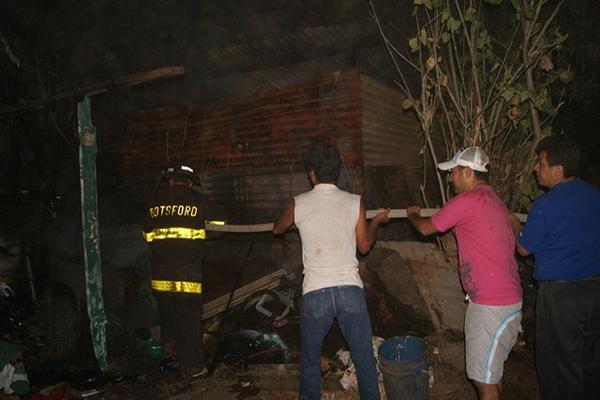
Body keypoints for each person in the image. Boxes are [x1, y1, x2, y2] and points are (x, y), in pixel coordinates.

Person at [273, 140, 389, 400]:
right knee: (364, 361)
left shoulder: (298, 202)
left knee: (311, 362)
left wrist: (295, 222)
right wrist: (377, 222)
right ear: (336, 171)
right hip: (350, 291)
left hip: (315, 294)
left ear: (311, 173)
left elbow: (277, 229)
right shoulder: (354, 202)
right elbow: (365, 245)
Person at [407, 146, 522, 400]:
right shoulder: (495, 200)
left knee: (483, 382)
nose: (451, 178)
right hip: (505, 301)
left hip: (491, 306)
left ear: (468, 172)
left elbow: (426, 228)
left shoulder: (467, 201)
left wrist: (412, 215)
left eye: (454, 172)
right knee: (492, 375)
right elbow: (515, 224)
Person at [515, 136, 600, 400]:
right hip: (594, 290)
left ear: (558, 169)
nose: (535, 168)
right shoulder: (595, 195)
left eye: (540, 163)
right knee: (590, 360)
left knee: (559, 366)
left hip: (561, 298)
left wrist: (514, 225)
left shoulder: (547, 204)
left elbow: (524, 249)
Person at [142, 162, 224, 379]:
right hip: (188, 275)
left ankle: (169, 357)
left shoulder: (154, 202)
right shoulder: (199, 200)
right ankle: (193, 366)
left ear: (170, 180)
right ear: (190, 183)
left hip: (160, 276)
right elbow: (220, 227)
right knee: (189, 321)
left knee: (167, 319)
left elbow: (148, 236)